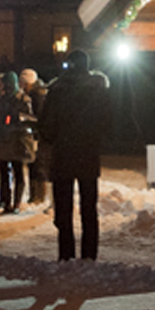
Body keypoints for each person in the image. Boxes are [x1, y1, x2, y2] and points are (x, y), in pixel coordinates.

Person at [38, 48, 111, 259]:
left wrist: (54, 139)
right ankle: (89, 255)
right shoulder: (99, 90)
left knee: (64, 208)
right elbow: (106, 122)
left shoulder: (58, 90)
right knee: (89, 208)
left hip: (63, 154)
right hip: (88, 153)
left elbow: (47, 124)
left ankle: (66, 254)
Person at [0, 70, 34, 213]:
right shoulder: (1, 99)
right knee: (5, 173)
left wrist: (16, 122)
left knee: (17, 171)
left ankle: (17, 202)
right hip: (3, 139)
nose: (6, 87)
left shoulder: (22, 99)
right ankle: (7, 202)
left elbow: (28, 118)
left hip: (16, 139)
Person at [19, 68, 50, 205]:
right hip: (34, 133)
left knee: (38, 164)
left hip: (38, 134)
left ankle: (39, 194)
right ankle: (34, 194)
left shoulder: (38, 95)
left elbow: (40, 117)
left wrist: (27, 120)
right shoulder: (33, 94)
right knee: (33, 163)